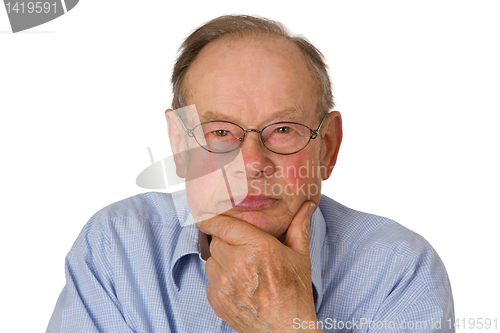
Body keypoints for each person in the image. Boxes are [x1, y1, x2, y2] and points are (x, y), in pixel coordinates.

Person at [46, 15, 455, 332]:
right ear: (180, 145)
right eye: (220, 132)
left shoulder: (398, 269)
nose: (252, 163)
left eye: (283, 130)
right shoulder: (116, 246)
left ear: (327, 147)